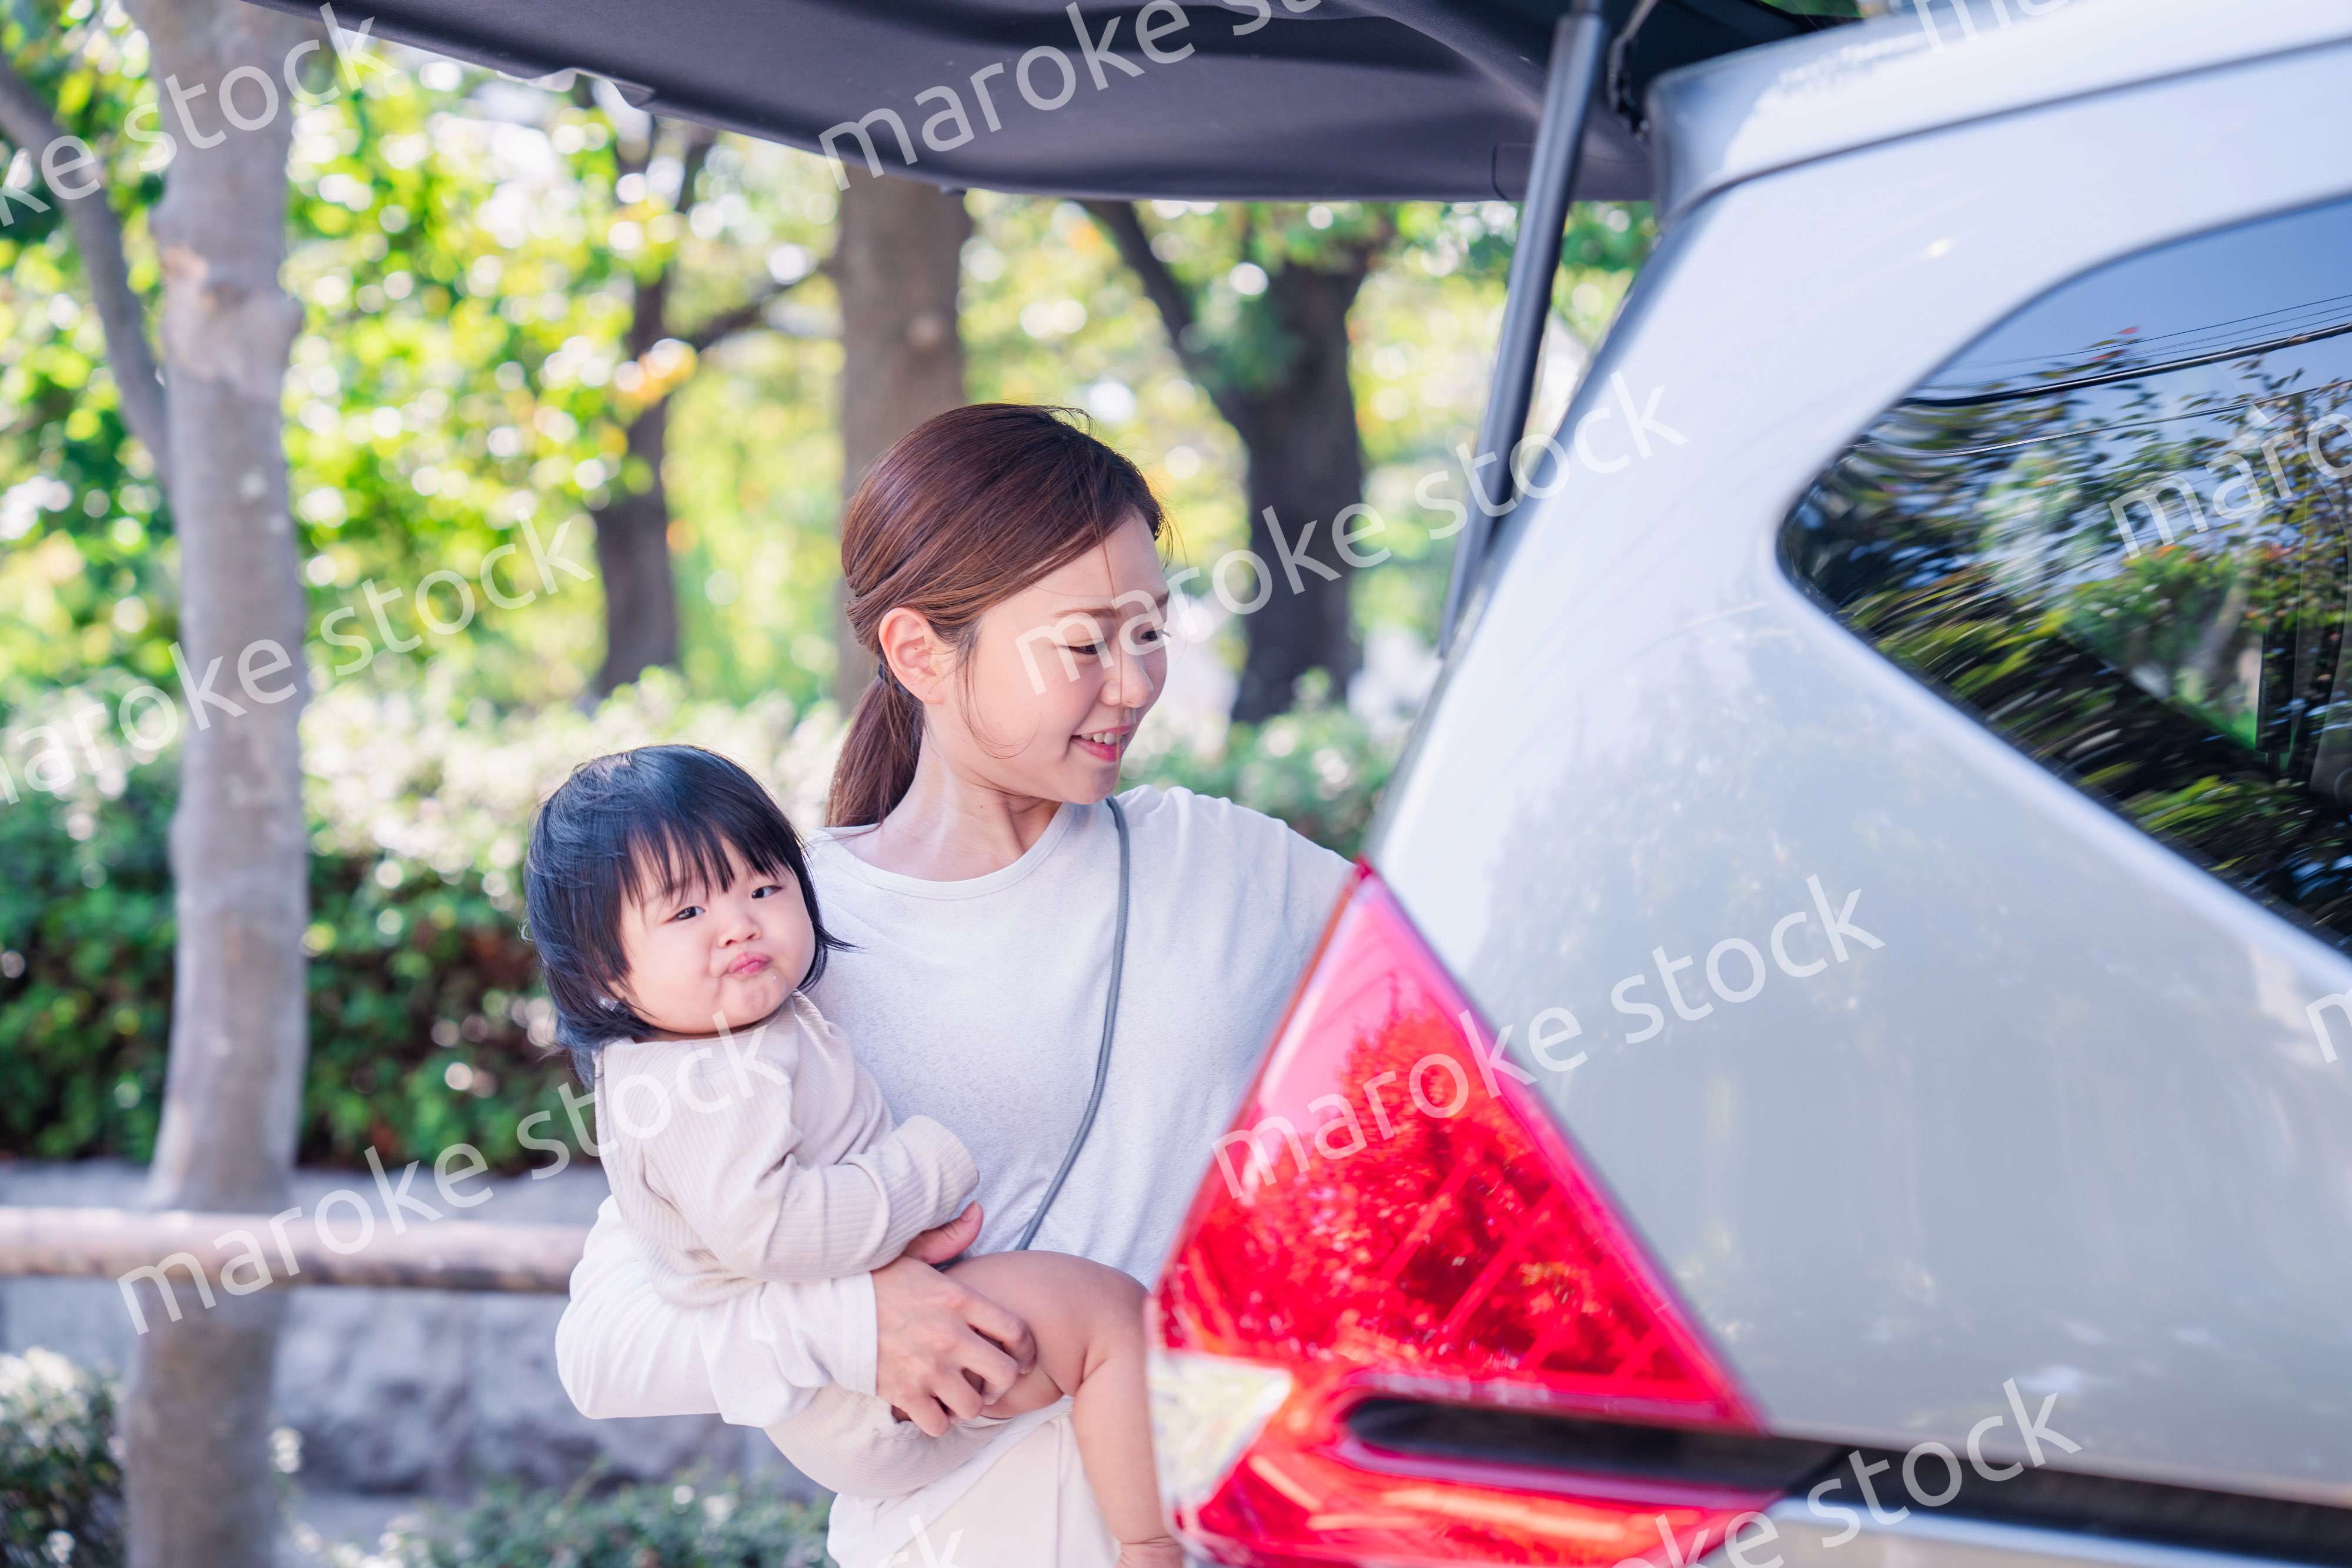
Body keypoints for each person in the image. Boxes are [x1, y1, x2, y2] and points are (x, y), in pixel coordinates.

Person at [555, 403, 1352, 1567]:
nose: (1132, 683)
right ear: (920, 650)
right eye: (1083, 643)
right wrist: (854, 1322)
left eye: (1149, 630)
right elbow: (605, 1341)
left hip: (1232, 1530)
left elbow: (1483, 1001)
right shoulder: (781, 942)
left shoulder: (1222, 864)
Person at [524, 744, 1177, 1567]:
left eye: (764, 888)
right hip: (858, 1385)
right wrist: (924, 1171)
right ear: (601, 973)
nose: (740, 924)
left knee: (1086, 1330)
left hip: (854, 1391)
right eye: (687, 913)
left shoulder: (708, 1043)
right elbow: (769, 1229)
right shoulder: (704, 1077)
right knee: (1108, 1316)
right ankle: (1150, 1542)